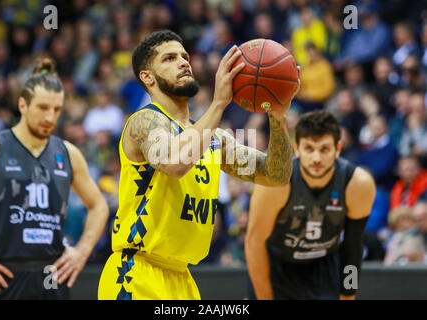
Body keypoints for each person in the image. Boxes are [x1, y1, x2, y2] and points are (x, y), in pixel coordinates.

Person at [97, 30, 299, 300]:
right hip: (135, 273)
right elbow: (175, 162)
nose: (183, 62)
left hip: (183, 278)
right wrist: (218, 104)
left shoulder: (213, 139)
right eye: (169, 58)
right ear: (148, 77)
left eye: (185, 56)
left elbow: (276, 175)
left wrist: (277, 116)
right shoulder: (144, 122)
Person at [0, 58, 109, 299]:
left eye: (57, 109)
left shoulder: (68, 153)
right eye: (43, 107)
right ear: (22, 105)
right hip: (0, 276)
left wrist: (81, 251)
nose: (50, 116)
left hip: (51, 277)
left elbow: (99, 206)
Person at [246, 110, 376, 300]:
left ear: (338, 149)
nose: (316, 158)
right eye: (309, 148)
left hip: (324, 267)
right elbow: (255, 243)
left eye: (324, 149)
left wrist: (348, 295)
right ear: (296, 148)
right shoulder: (276, 183)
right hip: (278, 267)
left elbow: (352, 248)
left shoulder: (358, 184)